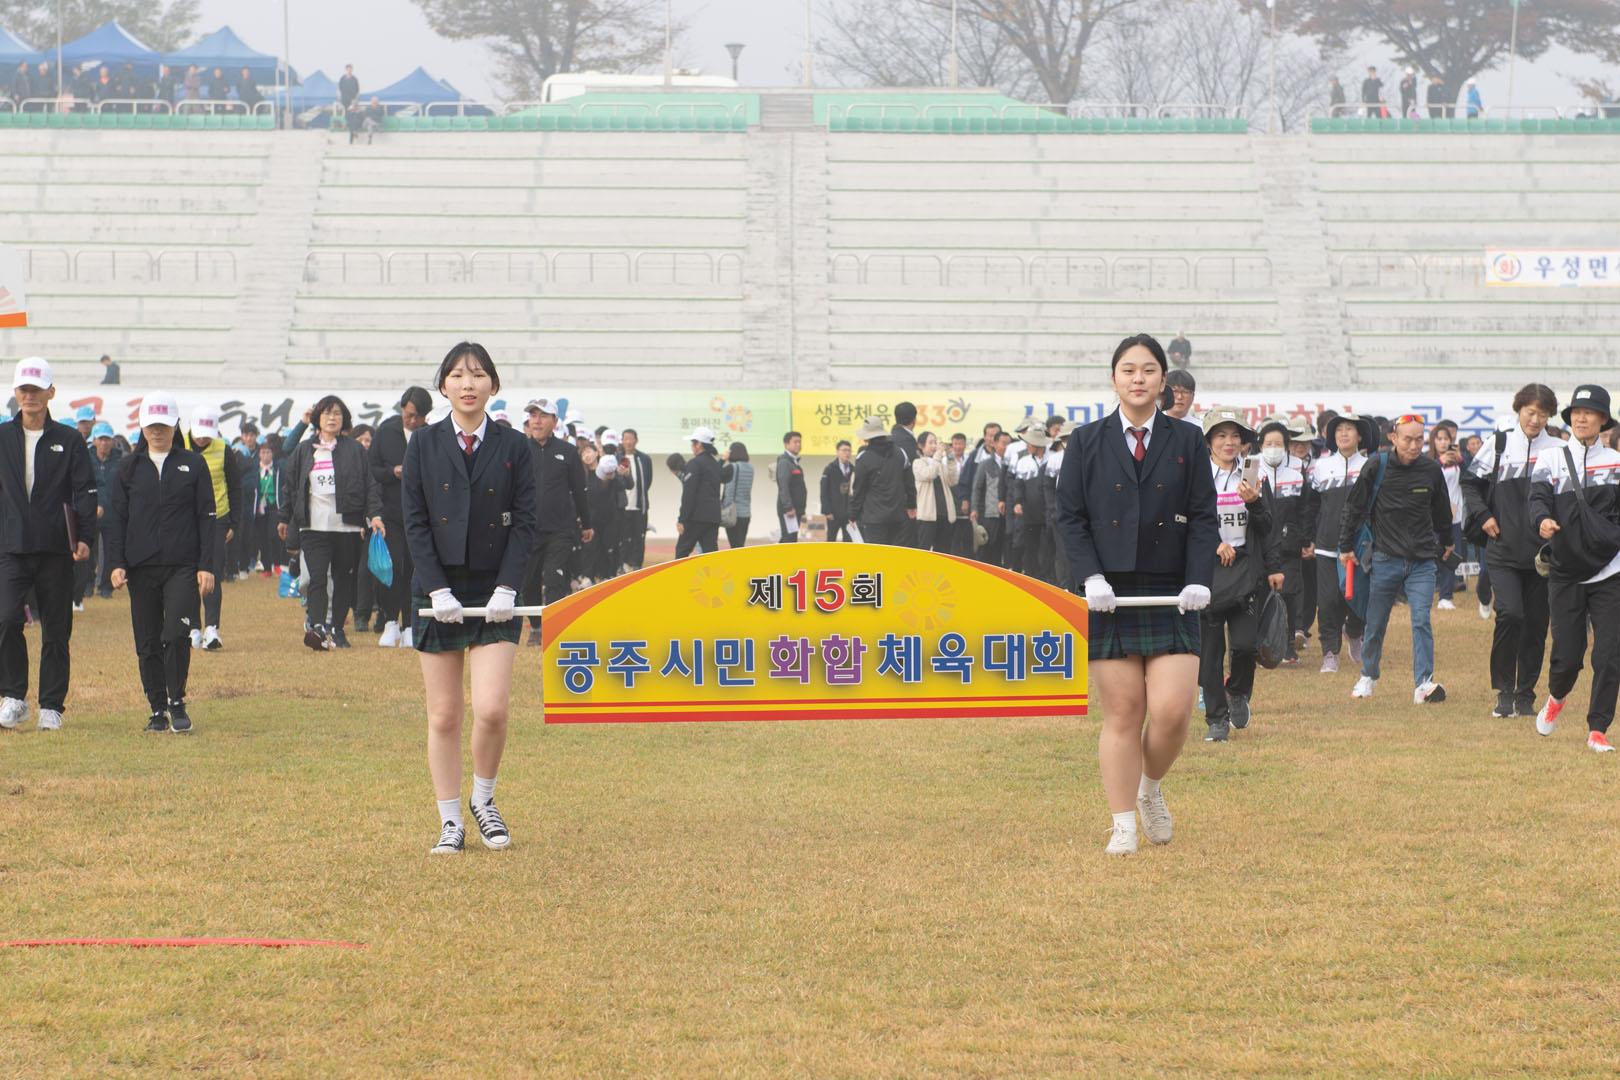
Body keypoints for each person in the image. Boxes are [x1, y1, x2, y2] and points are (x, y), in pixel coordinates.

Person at [1056, 334, 1217, 855]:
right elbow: (1070, 517)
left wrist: (1198, 578)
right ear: (1114, 379)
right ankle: (1123, 823)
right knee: (1124, 712)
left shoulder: (1188, 439)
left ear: (1163, 380)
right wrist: (1091, 578)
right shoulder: (1086, 440)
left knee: (1173, 712)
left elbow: (1203, 515)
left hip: (1173, 591)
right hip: (1110, 591)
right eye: (1128, 370)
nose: (1138, 378)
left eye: (1148, 370)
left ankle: (1149, 788)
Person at [403, 342, 537, 854]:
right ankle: (450, 820)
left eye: (478, 374)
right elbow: (415, 522)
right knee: (443, 714)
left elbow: (524, 522)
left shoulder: (514, 445)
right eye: (458, 375)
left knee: (493, 708)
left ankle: (484, 799)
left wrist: (508, 585)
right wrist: (437, 588)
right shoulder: (423, 443)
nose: (468, 383)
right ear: (443, 385)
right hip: (437, 589)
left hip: (494, 591)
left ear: (493, 386)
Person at [105, 393, 216, 734]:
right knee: (148, 641)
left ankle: (177, 701)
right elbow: (116, 519)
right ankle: (157, 709)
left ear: (175, 425)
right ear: (142, 427)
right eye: (151, 425)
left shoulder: (193, 465)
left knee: (177, 633)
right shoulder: (128, 468)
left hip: (183, 565)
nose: (157, 431)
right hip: (140, 567)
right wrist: (116, 563)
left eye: (164, 425)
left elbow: (207, 517)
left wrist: (207, 565)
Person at [0, 359, 95, 733]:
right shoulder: (2, 436)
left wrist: (84, 537)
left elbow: (85, 490)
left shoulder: (69, 440)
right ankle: (14, 697)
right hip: (11, 546)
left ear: (50, 392)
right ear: (15, 392)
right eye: (24, 389)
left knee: (56, 629)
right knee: (6, 618)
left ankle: (52, 706)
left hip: (56, 548)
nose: (30, 396)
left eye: (36, 389)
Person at [1528, 385, 1620, 751]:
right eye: (1576, 412)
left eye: (1589, 412)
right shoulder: (1551, 458)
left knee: (1609, 654)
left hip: (1610, 571)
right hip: (1565, 571)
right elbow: (1537, 497)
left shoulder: (1615, 462)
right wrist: (1542, 520)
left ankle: (1598, 729)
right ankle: (1556, 696)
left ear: (1602, 420)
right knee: (1567, 656)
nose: (1581, 418)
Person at [1462, 384, 1562, 719]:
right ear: (1519, 409)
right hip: (1502, 550)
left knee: (1536, 626)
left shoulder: (1559, 449)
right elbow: (1470, 483)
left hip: (1543, 556)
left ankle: (1526, 695)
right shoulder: (1498, 444)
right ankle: (1504, 692)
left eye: (1543, 414)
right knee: (1510, 615)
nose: (1536, 420)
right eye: (1530, 412)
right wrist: (1483, 515)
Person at [1339, 415, 1454, 704]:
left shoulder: (1431, 469)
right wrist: (1345, 546)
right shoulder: (1376, 465)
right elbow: (1354, 507)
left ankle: (1423, 684)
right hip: (1384, 558)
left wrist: (1447, 541)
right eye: (1408, 439)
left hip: (1422, 561)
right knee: (1375, 622)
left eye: (1419, 439)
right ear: (1393, 438)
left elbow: (1441, 510)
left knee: (1421, 621)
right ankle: (1368, 675)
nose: (1414, 445)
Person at [1197, 407, 1280, 741]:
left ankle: (1237, 691)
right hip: (1207, 573)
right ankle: (1216, 719)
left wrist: (1255, 502)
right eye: (1221, 435)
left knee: (1246, 646)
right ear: (1208, 441)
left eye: (1235, 436)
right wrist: (1214, 544)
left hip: (1246, 573)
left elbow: (1268, 526)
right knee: (1210, 653)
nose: (1228, 442)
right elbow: (1186, 524)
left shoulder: (1253, 476)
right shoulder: (1196, 478)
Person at [279, 395, 383, 651]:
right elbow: (291, 486)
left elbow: (369, 484)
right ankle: (317, 627)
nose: (332, 418)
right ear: (318, 418)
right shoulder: (305, 450)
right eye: (327, 413)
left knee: (343, 578)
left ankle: (337, 628)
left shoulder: (354, 450)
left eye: (337, 413)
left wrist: (375, 515)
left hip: (346, 526)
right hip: (312, 526)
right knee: (317, 578)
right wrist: (284, 517)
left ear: (343, 418)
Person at [519, 398, 590, 644]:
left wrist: (587, 524)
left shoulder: (568, 452)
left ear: (555, 421)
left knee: (554, 578)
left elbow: (579, 491)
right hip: (527, 529)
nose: (537, 421)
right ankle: (536, 627)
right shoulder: (520, 450)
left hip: (561, 529)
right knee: (528, 581)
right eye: (533, 416)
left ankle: (554, 629)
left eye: (543, 416)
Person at [1310, 412, 1376, 674]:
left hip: (1361, 546)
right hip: (1327, 546)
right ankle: (1330, 652)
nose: (1344, 434)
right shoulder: (1320, 466)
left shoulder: (1371, 465)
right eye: (1339, 429)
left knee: (1359, 597)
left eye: (1350, 429)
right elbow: (1311, 506)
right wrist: (1309, 538)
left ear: (1360, 436)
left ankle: (1355, 632)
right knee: (1328, 601)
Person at [370, 387, 431, 647]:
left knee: (414, 570)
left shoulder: (430, 436)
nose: (412, 421)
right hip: (391, 514)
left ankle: (409, 624)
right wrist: (391, 472)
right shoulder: (386, 432)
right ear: (402, 409)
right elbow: (371, 469)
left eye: (418, 417)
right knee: (392, 567)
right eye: (409, 415)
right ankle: (389, 621)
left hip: (420, 516)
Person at [1256, 416, 1309, 663]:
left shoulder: (1297, 472)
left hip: (1289, 544)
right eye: (1269, 443)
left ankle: (1288, 646)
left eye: (1278, 443)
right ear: (1260, 445)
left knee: (1288, 593)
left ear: (1286, 446)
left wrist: (1304, 538)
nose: (1273, 448)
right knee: (1260, 594)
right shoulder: (1252, 470)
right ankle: (1261, 645)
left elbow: (1305, 508)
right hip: (1261, 543)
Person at [850, 415, 913, 545]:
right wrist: (912, 505)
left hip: (873, 517)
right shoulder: (900, 453)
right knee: (894, 552)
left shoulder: (864, 458)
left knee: (876, 554)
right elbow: (909, 482)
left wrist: (853, 514)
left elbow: (859, 489)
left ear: (867, 437)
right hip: (897, 515)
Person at [1429, 421, 1466, 610]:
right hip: (1432, 517)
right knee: (1431, 556)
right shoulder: (1429, 462)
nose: (1443, 442)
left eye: (1446, 439)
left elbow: (1470, 478)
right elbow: (1427, 479)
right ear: (1433, 441)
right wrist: (1440, 462)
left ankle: (1446, 596)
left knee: (1450, 555)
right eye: (1439, 439)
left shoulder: (1457, 462)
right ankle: (1427, 593)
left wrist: (1461, 460)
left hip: (1454, 515)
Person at [675, 426, 728, 558]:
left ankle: (681, 574)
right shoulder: (715, 464)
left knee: (682, 551)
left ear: (698, 444)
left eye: (692, 442)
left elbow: (689, 493)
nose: (691, 446)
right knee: (710, 554)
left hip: (695, 517)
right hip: (713, 517)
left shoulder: (694, 464)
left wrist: (682, 519)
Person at [1006, 427, 1052, 578]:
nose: (1027, 446)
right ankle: (1032, 576)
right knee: (1030, 546)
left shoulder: (1052, 459)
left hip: (1048, 511)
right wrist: (1018, 502)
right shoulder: (1023, 461)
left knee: (1048, 546)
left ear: (1038, 444)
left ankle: (1047, 577)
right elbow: (1018, 485)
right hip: (1030, 511)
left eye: (1030, 443)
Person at [87, 421, 122, 599]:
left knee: (110, 551)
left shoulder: (121, 460)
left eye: (107, 439)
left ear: (113, 441)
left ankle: (106, 587)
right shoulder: (85, 459)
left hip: (113, 514)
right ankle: (87, 585)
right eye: (100, 439)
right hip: (90, 513)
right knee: (87, 550)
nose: (104, 443)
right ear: (94, 440)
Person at [911, 431, 958, 553]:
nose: (934, 446)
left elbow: (953, 480)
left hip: (944, 514)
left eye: (935, 442)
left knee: (943, 551)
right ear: (921, 446)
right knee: (924, 550)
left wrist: (950, 457)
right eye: (930, 443)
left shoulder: (939, 464)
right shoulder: (918, 463)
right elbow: (929, 474)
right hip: (927, 516)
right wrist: (938, 454)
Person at [970, 430, 1011, 564]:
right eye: (1003, 443)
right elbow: (977, 488)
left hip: (1008, 513)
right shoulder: (985, 464)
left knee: (1004, 547)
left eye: (1009, 444)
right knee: (988, 546)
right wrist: (974, 508)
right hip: (990, 513)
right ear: (994, 444)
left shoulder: (1012, 464)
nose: (1007, 447)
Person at [618, 428, 652, 570]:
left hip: (639, 505)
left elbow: (648, 481)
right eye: (625, 439)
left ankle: (637, 564)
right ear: (622, 441)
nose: (628, 442)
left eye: (630, 439)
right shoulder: (617, 458)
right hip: (622, 507)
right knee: (622, 537)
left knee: (639, 537)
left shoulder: (644, 459)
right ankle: (622, 564)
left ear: (636, 440)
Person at [248, 443, 283, 577]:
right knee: (262, 537)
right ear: (259, 455)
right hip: (259, 507)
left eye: (268, 452)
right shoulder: (255, 470)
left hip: (274, 505)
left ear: (272, 454)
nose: (266, 455)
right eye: (263, 452)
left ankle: (277, 564)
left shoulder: (278, 469)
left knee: (274, 535)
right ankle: (267, 567)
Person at [720, 442, 754, 549]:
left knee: (734, 546)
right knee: (740, 544)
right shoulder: (751, 468)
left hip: (732, 513)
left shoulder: (732, 467)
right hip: (746, 512)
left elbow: (715, 474)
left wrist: (723, 459)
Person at [775, 431, 806, 542]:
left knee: (790, 538)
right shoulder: (785, 462)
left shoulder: (794, 462)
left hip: (796, 508)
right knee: (789, 539)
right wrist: (788, 507)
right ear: (786, 444)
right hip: (789, 509)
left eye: (800, 442)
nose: (798, 445)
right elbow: (783, 486)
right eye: (795, 442)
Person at [820, 440, 854, 542]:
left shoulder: (853, 469)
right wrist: (827, 511)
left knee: (848, 540)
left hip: (848, 513)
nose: (847, 453)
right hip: (833, 513)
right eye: (844, 450)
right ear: (837, 452)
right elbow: (824, 491)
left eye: (849, 450)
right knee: (831, 539)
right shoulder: (830, 469)